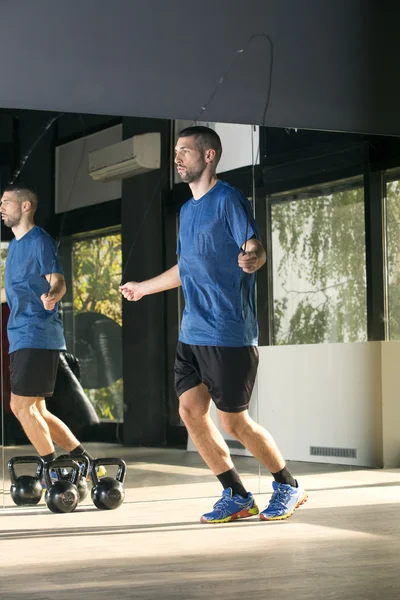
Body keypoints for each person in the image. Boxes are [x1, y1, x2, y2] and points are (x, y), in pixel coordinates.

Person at [120, 126, 308, 523]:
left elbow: (253, 245)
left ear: (208, 156)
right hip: (192, 333)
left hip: (228, 332)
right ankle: (236, 493)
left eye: (185, 151)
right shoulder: (187, 211)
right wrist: (143, 288)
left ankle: (288, 484)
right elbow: (186, 269)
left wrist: (253, 256)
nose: (177, 158)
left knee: (234, 421)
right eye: (175, 151)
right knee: (190, 412)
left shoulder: (227, 199)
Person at [0, 184, 102, 481]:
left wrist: (53, 294)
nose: (1, 207)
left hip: (37, 334)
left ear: (25, 206)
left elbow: (58, 281)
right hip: (21, 335)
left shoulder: (39, 241)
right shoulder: (17, 246)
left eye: (6, 202)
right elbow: (13, 291)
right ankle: (82, 460)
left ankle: (53, 469)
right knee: (38, 410)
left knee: (19, 405)